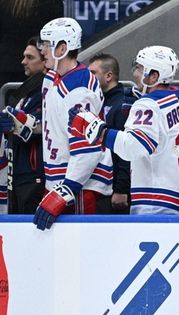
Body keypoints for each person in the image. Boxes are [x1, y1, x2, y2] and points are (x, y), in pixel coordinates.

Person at [68, 46, 179, 216]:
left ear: (154, 76)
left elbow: (133, 147)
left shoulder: (148, 105)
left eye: (139, 68)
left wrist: (96, 129)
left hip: (160, 204)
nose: (135, 73)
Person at [31, 17, 109, 231]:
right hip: (59, 181)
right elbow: (55, 128)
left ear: (62, 48)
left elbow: (88, 149)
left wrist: (64, 191)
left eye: (47, 45)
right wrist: (25, 124)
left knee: (79, 255)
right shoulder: (54, 78)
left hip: (79, 187)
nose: (42, 50)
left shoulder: (79, 88)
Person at [0, 37, 46, 214]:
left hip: (35, 177)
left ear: (45, 61)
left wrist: (14, 124)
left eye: (30, 57)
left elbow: (44, 128)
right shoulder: (26, 94)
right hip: (19, 175)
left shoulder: (48, 91)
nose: (23, 62)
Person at [88, 53, 133, 214]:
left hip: (113, 189)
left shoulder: (122, 105)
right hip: (99, 185)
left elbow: (126, 150)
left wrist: (121, 189)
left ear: (108, 76)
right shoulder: (98, 101)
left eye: (93, 73)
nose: (89, 78)